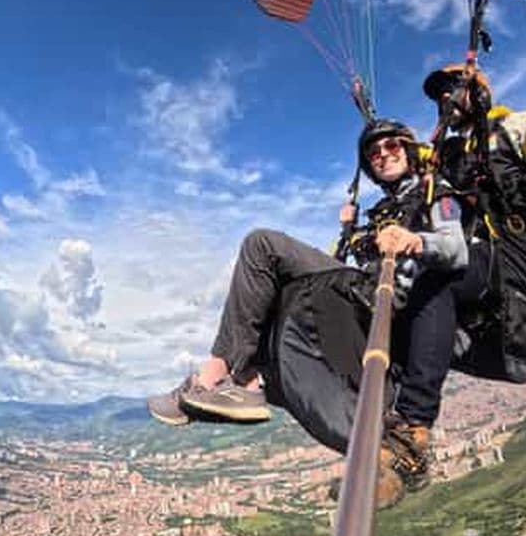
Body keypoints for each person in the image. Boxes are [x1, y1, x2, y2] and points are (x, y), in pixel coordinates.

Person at [148, 118, 466, 508]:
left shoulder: (435, 193)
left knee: (262, 245)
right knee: (273, 292)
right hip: (357, 292)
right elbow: (337, 267)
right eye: (373, 153)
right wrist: (349, 233)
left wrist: (414, 240)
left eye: (391, 147)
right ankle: (240, 381)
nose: (382, 155)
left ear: (410, 149)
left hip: (385, 300)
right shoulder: (381, 211)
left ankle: (220, 378)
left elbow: (457, 249)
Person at [422, 58, 526, 384]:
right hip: (481, 281)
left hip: (519, 276)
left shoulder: (515, 126)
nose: (445, 99)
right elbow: (415, 162)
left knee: (431, 280)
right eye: (440, 96)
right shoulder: (450, 155)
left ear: (479, 92)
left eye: (452, 89)